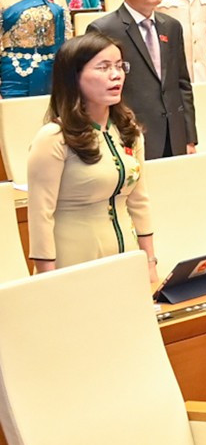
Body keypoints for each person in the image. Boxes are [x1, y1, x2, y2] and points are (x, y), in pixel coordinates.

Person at [25, 34, 153, 276]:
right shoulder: (53, 138)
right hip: (73, 264)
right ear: (74, 77)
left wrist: (149, 262)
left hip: (126, 258)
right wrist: (46, 280)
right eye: (103, 68)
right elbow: (40, 216)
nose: (115, 75)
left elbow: (139, 201)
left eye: (119, 66)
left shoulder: (129, 131)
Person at [97, 0, 195, 160]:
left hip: (173, 133)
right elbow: (99, 92)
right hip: (129, 133)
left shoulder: (171, 26)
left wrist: (189, 137)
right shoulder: (105, 29)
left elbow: (181, 84)